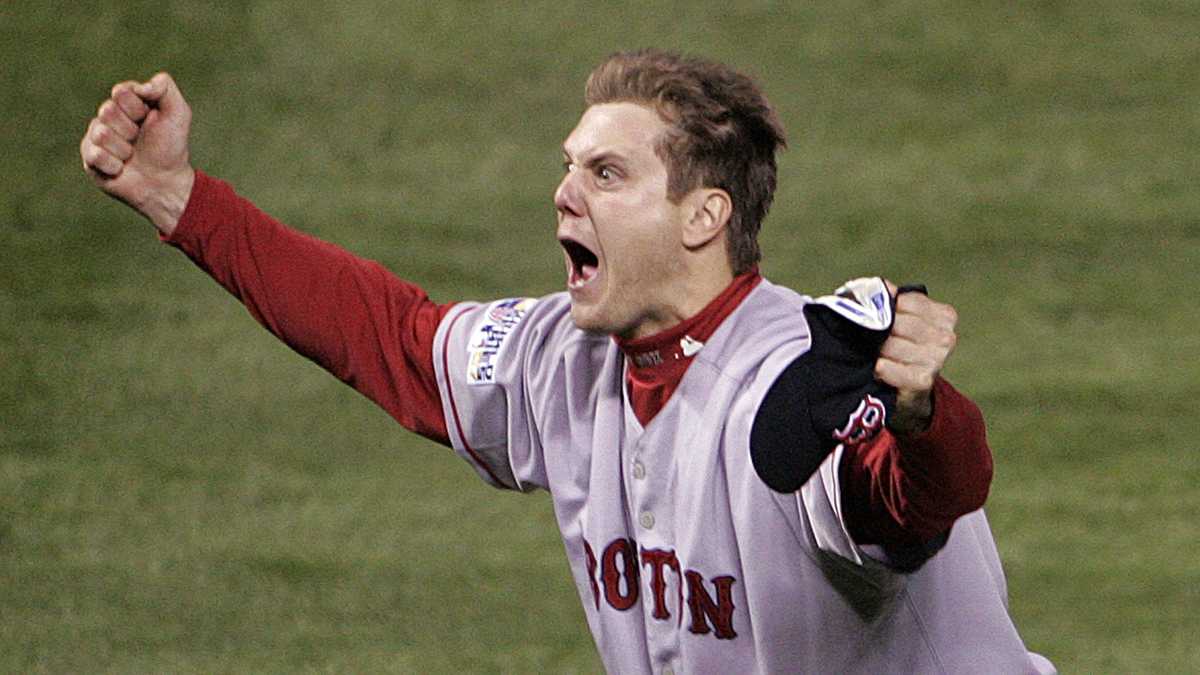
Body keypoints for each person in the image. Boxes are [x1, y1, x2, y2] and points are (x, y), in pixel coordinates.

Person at [81, 49, 1054, 674]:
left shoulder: (800, 384)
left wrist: (929, 413)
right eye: (568, 164)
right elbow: (388, 334)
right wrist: (180, 198)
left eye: (606, 172)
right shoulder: (564, 356)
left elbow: (924, 498)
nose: (564, 194)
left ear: (704, 216)